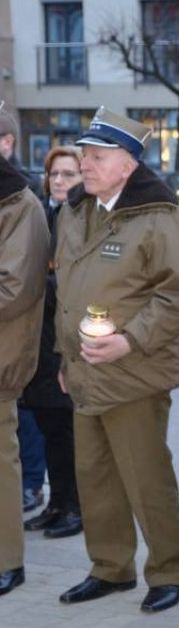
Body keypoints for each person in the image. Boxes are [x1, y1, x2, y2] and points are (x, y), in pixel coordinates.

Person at [53, 107, 179, 613]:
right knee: (93, 477)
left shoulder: (162, 218)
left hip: (134, 371)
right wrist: (62, 356)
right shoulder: (75, 210)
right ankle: (110, 568)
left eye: (97, 156)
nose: (85, 164)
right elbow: (66, 291)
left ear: (128, 164)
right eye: (84, 154)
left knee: (146, 478)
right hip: (83, 369)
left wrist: (129, 341)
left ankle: (168, 571)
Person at [21, 147, 84, 539]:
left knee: (69, 431)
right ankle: (57, 502)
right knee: (49, 428)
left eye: (68, 174)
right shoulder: (47, 215)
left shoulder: (81, 220)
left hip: (67, 342)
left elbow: (73, 284)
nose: (59, 181)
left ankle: (78, 507)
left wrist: (28, 286)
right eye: (54, 174)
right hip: (39, 342)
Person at [0, 150, 49, 596]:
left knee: (1, 462)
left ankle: (7, 561)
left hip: (1, 356)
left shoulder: (19, 204)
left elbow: (15, 289)